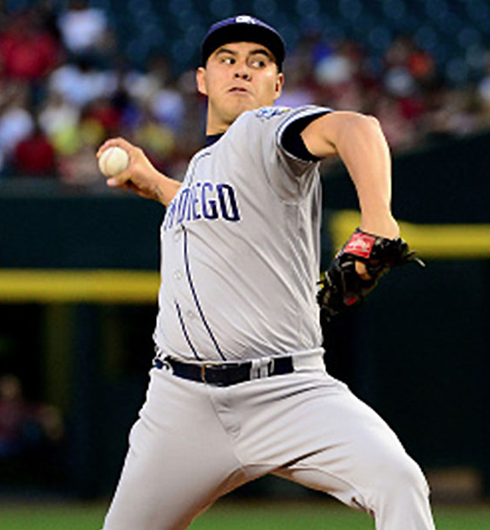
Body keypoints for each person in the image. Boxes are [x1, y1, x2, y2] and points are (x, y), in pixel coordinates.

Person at [96, 15, 435, 530]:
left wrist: (378, 223)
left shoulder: (267, 130)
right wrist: (158, 184)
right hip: (181, 404)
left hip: (288, 393)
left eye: (258, 63)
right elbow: (206, 210)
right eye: (226, 60)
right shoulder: (201, 171)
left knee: (397, 480)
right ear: (202, 80)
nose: (241, 70)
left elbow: (357, 128)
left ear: (276, 86)